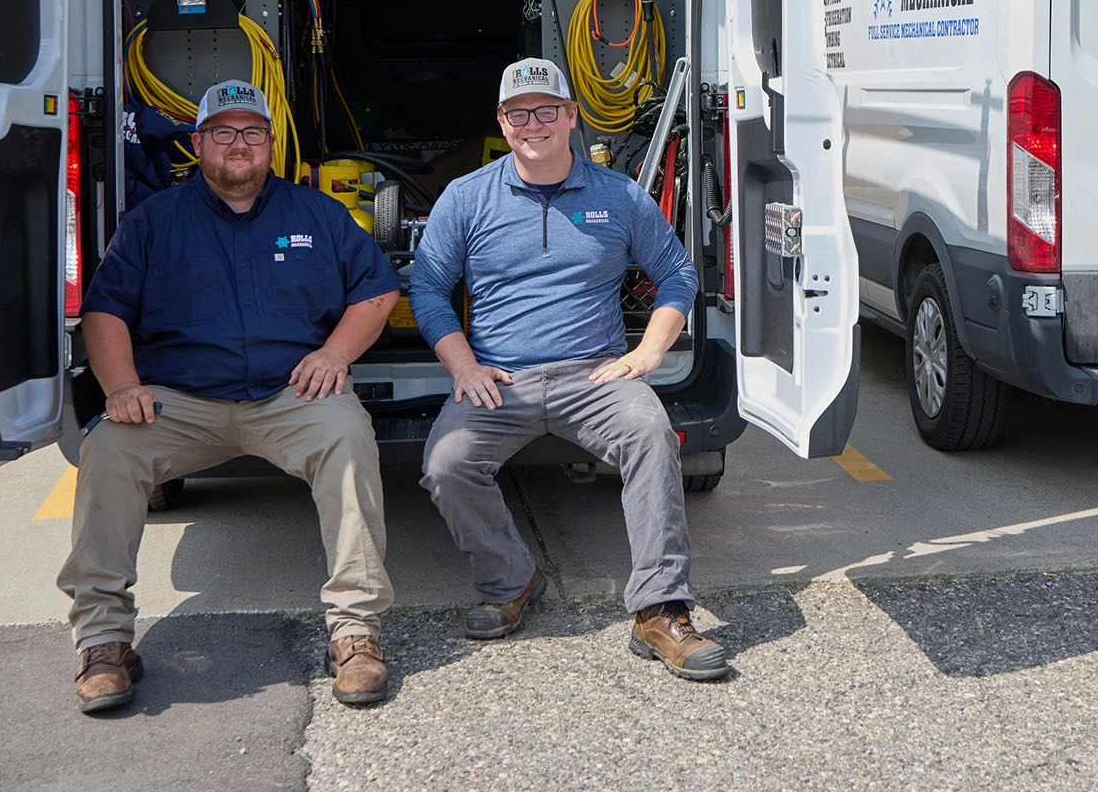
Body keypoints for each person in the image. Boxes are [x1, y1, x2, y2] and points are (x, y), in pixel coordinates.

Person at [63, 79, 402, 713]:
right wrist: (121, 387)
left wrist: (335, 355)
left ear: (272, 144)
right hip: (179, 402)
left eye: (252, 132)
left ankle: (355, 632)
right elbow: (105, 310)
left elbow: (376, 291)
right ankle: (104, 641)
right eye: (223, 132)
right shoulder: (154, 221)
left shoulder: (317, 213)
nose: (238, 144)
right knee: (107, 450)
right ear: (198, 144)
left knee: (348, 435)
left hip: (288, 396)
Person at [410, 58, 727, 681]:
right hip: (501, 379)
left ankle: (660, 610)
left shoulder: (619, 195)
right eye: (519, 113)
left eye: (547, 110)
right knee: (446, 464)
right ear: (503, 123)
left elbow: (677, 276)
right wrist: (463, 362)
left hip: (595, 375)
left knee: (651, 435)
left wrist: (648, 354)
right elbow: (427, 287)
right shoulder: (466, 198)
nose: (535, 124)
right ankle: (511, 580)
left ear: (571, 117)